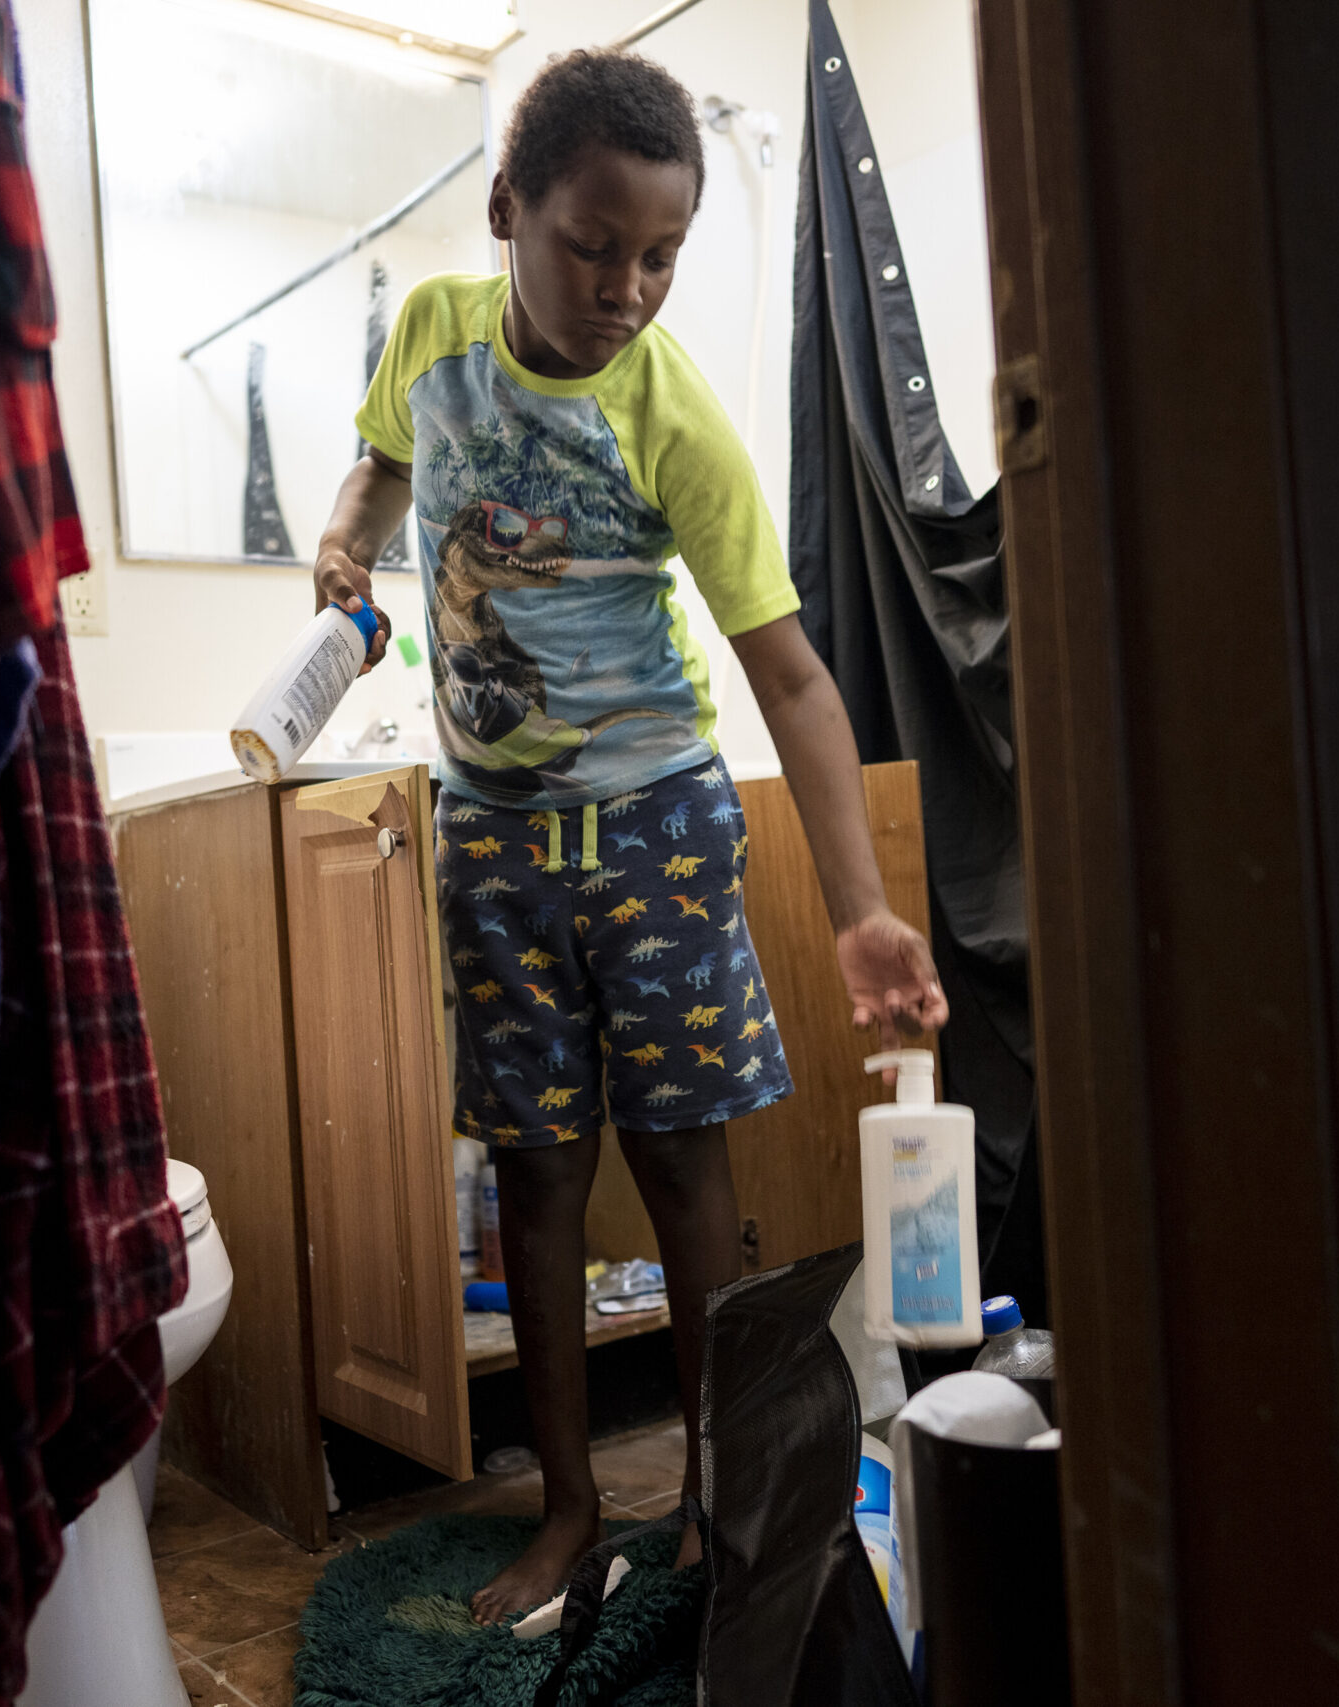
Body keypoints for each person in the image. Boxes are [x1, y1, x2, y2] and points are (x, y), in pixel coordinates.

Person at [313, 47, 946, 1624]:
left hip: (658, 823)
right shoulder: (433, 335)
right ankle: (569, 1508)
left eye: (659, 256)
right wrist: (345, 532)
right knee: (535, 1173)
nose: (626, 288)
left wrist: (862, 909)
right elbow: (389, 459)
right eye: (594, 246)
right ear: (508, 212)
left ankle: (721, 1489)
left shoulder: (677, 422)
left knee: (683, 1167)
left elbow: (788, 670)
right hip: (492, 833)